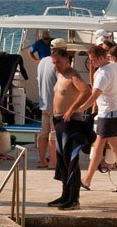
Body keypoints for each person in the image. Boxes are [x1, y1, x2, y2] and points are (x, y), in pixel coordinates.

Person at [74, 44, 117, 193]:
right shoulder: (115, 67)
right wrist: (114, 97)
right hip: (113, 111)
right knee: (100, 146)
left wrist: (82, 107)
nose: (91, 63)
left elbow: (94, 94)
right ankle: (88, 179)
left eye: (93, 60)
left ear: (101, 58)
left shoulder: (102, 74)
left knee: (112, 148)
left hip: (107, 114)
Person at [48, 48, 91, 211]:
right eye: (54, 63)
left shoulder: (73, 75)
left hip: (71, 122)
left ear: (67, 61)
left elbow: (86, 91)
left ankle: (74, 199)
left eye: (58, 62)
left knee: (71, 161)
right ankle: (65, 195)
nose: (56, 65)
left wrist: (71, 109)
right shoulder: (59, 75)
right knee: (62, 161)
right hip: (59, 121)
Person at [35, 38, 62, 168]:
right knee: (53, 133)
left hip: (43, 103)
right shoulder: (57, 63)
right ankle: (53, 162)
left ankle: (42, 160)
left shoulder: (42, 61)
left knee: (43, 133)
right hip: (54, 104)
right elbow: (61, 85)